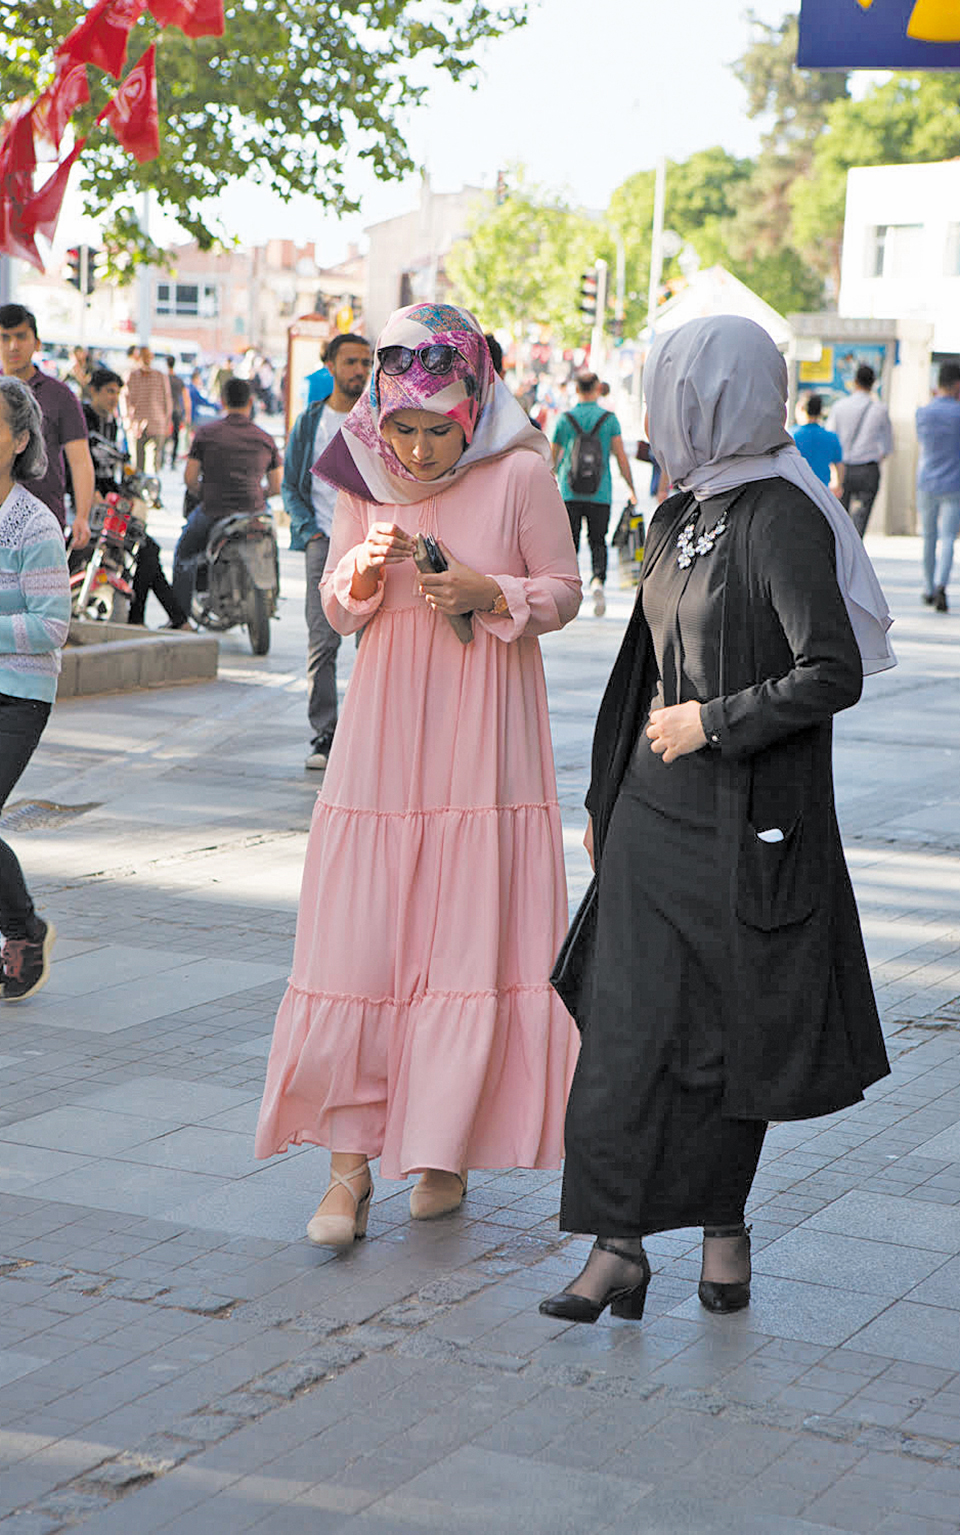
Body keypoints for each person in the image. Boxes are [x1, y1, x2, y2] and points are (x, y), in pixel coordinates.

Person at [540, 315, 894, 1326]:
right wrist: (607, 805)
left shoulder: (779, 514)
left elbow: (833, 669)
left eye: (666, 390)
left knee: (722, 1046)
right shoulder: (673, 511)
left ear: (712, 398)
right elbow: (641, 673)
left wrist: (716, 721)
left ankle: (723, 1228)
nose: (652, 413)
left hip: (744, 825)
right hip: (654, 821)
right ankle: (615, 1246)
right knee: (625, 1035)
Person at [255, 302, 582, 1247]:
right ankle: (348, 1169)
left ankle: (442, 1151)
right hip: (386, 732)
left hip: (485, 731)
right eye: (403, 425)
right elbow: (339, 606)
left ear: (475, 405)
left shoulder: (521, 472)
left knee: (465, 935)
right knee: (360, 939)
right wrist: (358, 567)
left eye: (440, 429)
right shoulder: (360, 471)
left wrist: (494, 591)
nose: (421, 447)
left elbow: (564, 589)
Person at [0, 378, 71, 1001]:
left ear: (20, 440)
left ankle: (22, 929)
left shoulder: (33, 524)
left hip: (18, 695)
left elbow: (51, 626)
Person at [282, 333, 372, 770]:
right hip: (323, 544)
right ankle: (325, 733)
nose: (359, 370)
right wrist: (311, 533)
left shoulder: (380, 420)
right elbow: (290, 487)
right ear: (331, 366)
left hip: (370, 546)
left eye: (365, 362)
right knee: (322, 643)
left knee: (371, 643)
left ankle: (367, 732)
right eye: (351, 362)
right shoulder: (310, 422)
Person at [83, 369, 191, 630]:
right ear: (93, 391)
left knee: (147, 549)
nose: (113, 398)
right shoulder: (82, 418)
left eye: (117, 393)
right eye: (109, 391)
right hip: (88, 506)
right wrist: (90, 493)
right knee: (146, 549)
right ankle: (155, 619)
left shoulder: (110, 421)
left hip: (111, 505)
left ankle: (154, 618)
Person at [173, 377, 281, 615]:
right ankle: (273, 598)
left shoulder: (206, 433)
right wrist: (255, 493)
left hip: (214, 509)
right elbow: (276, 486)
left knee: (183, 555)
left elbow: (190, 478)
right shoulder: (265, 438)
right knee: (271, 544)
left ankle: (180, 619)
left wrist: (208, 492)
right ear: (251, 401)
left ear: (222, 401)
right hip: (255, 510)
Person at [0, 303, 92, 551]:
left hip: (42, 523)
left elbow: (81, 460)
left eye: (21, 336)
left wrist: (82, 515)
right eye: (4, 338)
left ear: (36, 342)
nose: (13, 346)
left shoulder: (60, 395)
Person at [552, 371, 636, 616]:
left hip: (570, 492)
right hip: (601, 492)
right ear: (598, 388)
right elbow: (621, 456)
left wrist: (547, 486)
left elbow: (552, 458)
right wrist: (631, 487)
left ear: (576, 389)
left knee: (571, 543)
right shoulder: (609, 420)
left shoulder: (564, 419)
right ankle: (598, 581)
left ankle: (571, 590)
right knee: (598, 541)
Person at [827, 363, 893, 536]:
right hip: (868, 469)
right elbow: (887, 446)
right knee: (861, 520)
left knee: (840, 519)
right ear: (873, 383)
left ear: (855, 382)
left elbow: (831, 438)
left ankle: (841, 555)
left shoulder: (839, 406)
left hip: (843, 469)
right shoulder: (880, 409)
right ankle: (857, 554)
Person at [915, 361, 960, 613]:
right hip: (954, 481)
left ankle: (928, 587)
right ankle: (942, 584)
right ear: (956, 384)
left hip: (927, 480)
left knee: (929, 537)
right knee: (948, 538)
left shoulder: (922, 413)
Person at [121, 346, 172, 476]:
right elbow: (125, 399)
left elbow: (167, 399)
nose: (146, 359)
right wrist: (127, 420)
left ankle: (153, 489)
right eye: (143, 356)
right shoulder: (131, 376)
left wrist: (167, 422)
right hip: (137, 424)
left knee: (156, 462)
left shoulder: (160, 376)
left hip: (157, 423)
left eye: (148, 356)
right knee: (138, 463)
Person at [792, 393, 843, 493]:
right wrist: (837, 485)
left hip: (797, 490)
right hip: (822, 491)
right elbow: (839, 465)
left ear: (801, 409)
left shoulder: (791, 436)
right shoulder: (831, 437)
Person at [165, 356, 188, 468]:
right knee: (176, 436)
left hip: (165, 410)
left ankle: (163, 458)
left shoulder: (164, 379)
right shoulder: (179, 380)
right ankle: (173, 459)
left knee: (165, 434)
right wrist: (187, 414)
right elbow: (186, 398)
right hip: (177, 410)